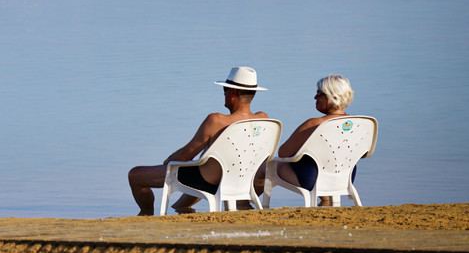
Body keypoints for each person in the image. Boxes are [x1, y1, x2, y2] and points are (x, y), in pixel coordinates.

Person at [127, 66, 269, 216]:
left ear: (233, 92)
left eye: (224, 90)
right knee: (201, 171)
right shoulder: (264, 119)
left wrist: (169, 160)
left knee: (135, 176)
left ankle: (145, 215)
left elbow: (185, 156)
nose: (224, 94)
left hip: (208, 181)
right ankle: (180, 209)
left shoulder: (216, 120)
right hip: (240, 180)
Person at [274, 74, 355, 206]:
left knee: (265, 168)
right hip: (346, 177)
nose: (315, 97)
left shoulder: (314, 124)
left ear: (331, 97)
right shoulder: (358, 124)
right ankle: (325, 202)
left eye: (319, 94)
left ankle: (244, 205)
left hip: (312, 179)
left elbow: (283, 152)